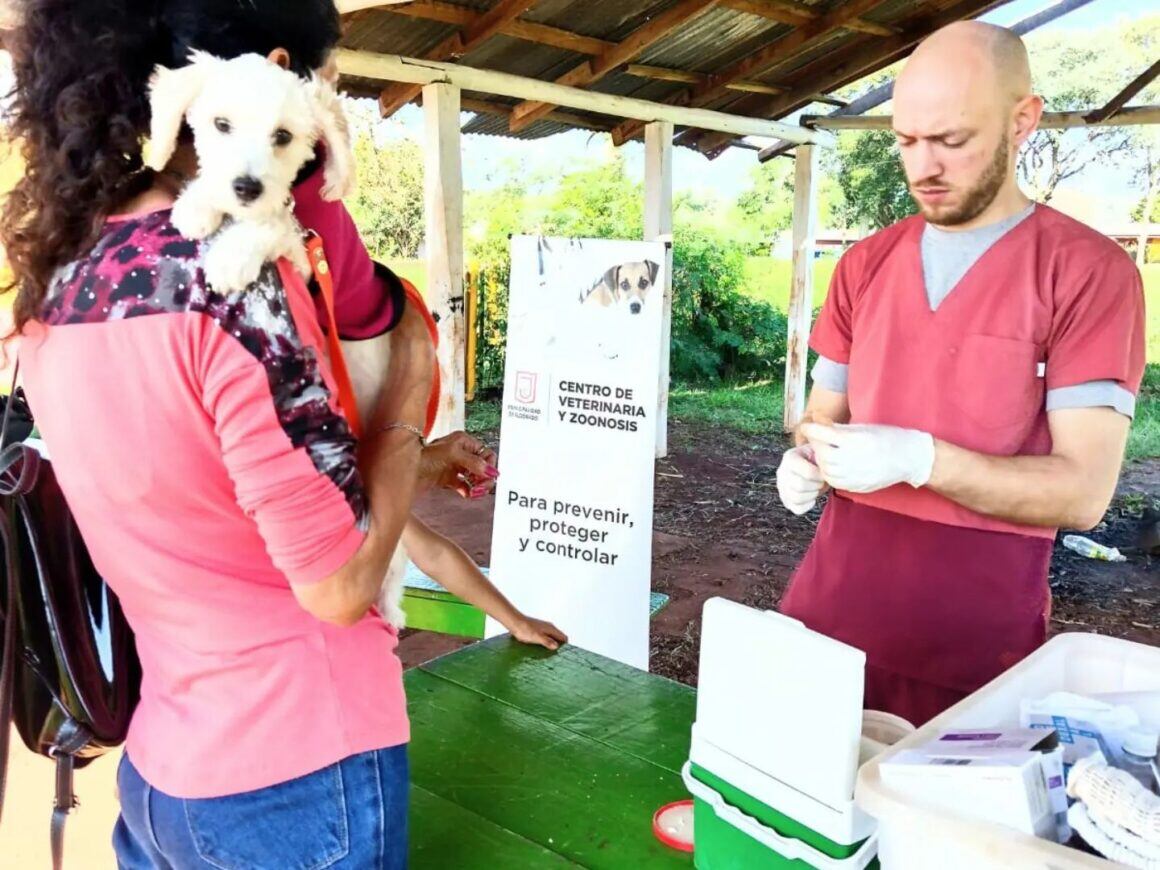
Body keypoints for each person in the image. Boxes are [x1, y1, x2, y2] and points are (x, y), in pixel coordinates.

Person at [0, 1, 489, 866]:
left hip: (164, 769)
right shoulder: (234, 282)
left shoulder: (58, 283)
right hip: (298, 770)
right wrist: (410, 396)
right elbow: (338, 587)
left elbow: (197, 489)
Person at [775, 22, 1145, 726]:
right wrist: (806, 457)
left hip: (972, 640)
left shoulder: (1088, 274)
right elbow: (823, 418)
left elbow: (1082, 491)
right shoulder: (865, 265)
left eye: (952, 141)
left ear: (1023, 120)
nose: (924, 169)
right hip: (829, 604)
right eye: (908, 141)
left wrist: (921, 459)